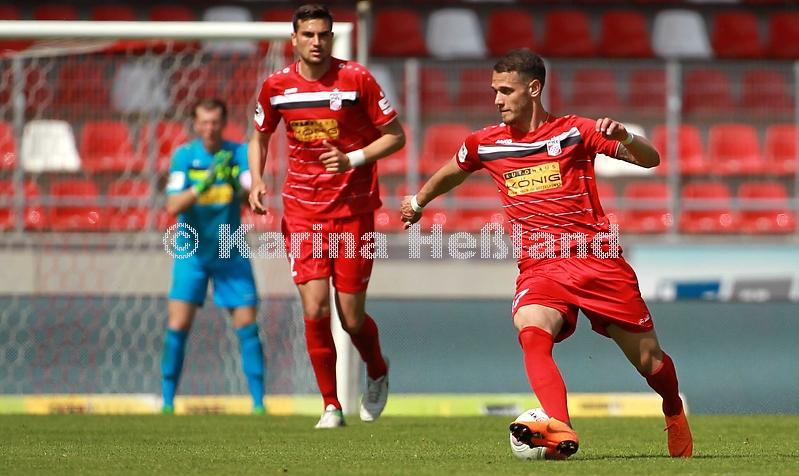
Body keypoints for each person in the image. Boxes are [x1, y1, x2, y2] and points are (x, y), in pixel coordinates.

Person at [400, 49, 692, 459]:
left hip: (597, 261)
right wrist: (418, 202)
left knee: (649, 361)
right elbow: (454, 169)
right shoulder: (485, 143)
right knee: (531, 329)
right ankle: (560, 428)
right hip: (541, 265)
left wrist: (626, 137)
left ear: (533, 89)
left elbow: (650, 159)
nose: (497, 99)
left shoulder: (575, 132)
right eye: (494, 91)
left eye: (506, 91)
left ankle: (673, 408)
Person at [247, 4, 404, 428]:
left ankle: (377, 369)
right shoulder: (276, 86)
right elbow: (259, 136)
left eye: (323, 34)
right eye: (308, 34)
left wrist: (352, 158)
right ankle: (331, 405)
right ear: (294, 39)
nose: (316, 42)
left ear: (331, 38)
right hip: (302, 211)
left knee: (351, 317)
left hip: (353, 211)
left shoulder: (356, 79)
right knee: (315, 307)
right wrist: (256, 180)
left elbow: (395, 137)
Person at [162, 98, 265, 415]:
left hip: (229, 249)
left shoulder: (239, 154)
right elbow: (173, 206)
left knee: (247, 324)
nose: (209, 128)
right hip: (191, 250)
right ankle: (167, 402)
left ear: (224, 123)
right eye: (204, 122)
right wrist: (203, 184)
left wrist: (234, 183)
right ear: (195, 124)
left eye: (215, 122)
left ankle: (259, 403)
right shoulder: (184, 156)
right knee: (178, 324)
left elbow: (252, 200)